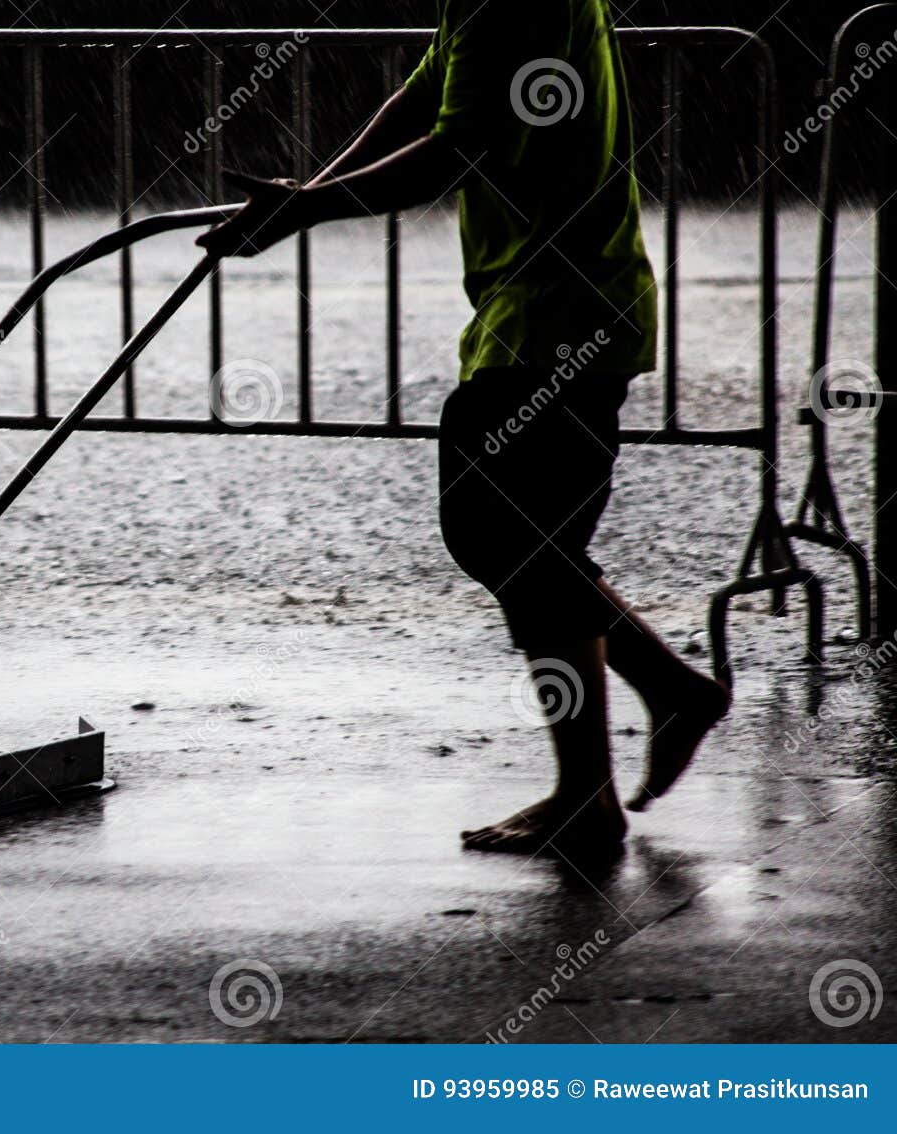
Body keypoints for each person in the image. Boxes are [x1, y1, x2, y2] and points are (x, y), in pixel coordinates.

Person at [198, 0, 730, 860]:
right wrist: (306, 193)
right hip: (539, 304)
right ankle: (662, 702)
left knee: (511, 537)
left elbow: (460, 146)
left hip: (562, 308)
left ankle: (593, 792)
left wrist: (305, 209)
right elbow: (422, 99)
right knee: (520, 540)